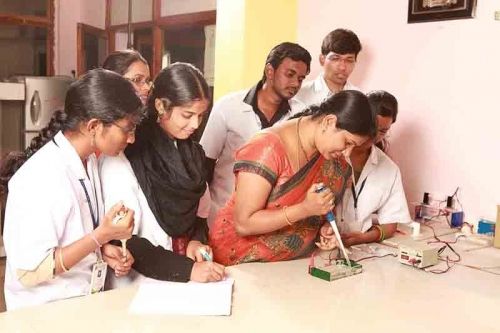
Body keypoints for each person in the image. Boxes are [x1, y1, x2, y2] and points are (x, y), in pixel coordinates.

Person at [0, 69, 142, 310]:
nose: (131, 139)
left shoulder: (90, 161)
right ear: (94, 126)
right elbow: (31, 271)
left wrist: (101, 250)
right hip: (43, 314)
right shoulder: (40, 176)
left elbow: (72, 234)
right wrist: (101, 235)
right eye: (127, 129)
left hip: (79, 305)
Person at [209, 90, 377, 266]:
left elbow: (321, 210)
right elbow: (244, 224)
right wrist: (305, 209)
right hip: (242, 263)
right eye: (348, 142)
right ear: (329, 121)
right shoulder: (267, 148)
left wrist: (326, 229)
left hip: (293, 265)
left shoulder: (330, 156)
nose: (347, 153)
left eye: (354, 147)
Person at [100, 62, 225, 284]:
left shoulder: (193, 153)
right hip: (138, 281)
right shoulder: (127, 153)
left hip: (183, 276)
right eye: (187, 115)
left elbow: (199, 214)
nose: (195, 124)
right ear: (160, 106)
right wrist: (188, 271)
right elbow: (123, 238)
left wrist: (195, 241)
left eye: (201, 116)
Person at [200, 42, 312, 226]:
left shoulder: (301, 116)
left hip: (270, 220)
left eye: (300, 79)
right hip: (222, 213)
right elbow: (205, 165)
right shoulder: (228, 106)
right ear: (270, 70)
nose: (295, 84)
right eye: (290, 74)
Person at [321, 90, 411, 248]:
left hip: (359, 249)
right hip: (320, 242)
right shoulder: (330, 152)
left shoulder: (390, 170)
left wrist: (362, 238)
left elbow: (390, 224)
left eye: (383, 131)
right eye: (372, 127)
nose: (374, 135)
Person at [295, 28, 362, 106]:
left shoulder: (360, 98)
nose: (342, 67)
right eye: (335, 59)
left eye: (349, 60)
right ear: (322, 59)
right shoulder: (299, 95)